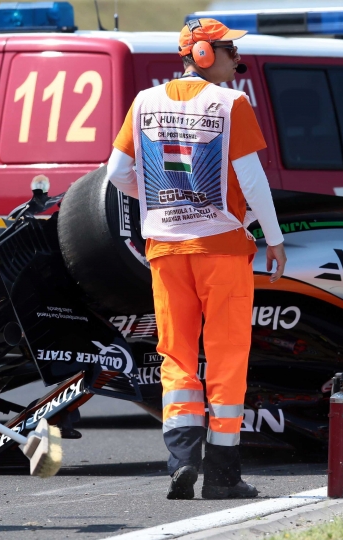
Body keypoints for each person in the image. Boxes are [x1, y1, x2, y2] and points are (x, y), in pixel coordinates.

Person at [107, 18, 287, 498]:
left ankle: (181, 462)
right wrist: (274, 237)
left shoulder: (144, 102)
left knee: (176, 356)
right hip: (223, 249)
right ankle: (223, 476)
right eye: (232, 52)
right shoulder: (232, 104)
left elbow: (118, 172)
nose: (238, 62)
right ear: (205, 55)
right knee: (227, 358)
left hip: (165, 249)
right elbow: (252, 180)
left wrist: (156, 201)